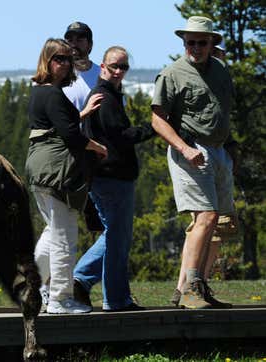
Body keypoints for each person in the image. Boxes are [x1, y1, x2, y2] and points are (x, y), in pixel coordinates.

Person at [151, 16, 235, 309]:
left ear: (212, 43)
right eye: (190, 42)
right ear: (183, 43)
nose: (195, 47)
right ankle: (191, 287)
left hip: (219, 151)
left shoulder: (221, 70)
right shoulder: (172, 74)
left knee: (218, 223)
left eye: (202, 42)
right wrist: (184, 149)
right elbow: (157, 120)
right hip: (191, 150)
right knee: (206, 217)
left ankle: (189, 288)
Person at [25, 38, 107, 314]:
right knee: (64, 236)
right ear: (46, 61)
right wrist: (97, 147)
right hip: (57, 172)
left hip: (40, 170)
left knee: (52, 232)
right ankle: (60, 299)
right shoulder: (53, 95)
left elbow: (59, 125)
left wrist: (79, 114)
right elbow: (71, 135)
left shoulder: (39, 92)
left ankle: (31, 287)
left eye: (68, 58)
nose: (65, 63)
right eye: (58, 58)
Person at [72, 46, 155, 312]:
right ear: (103, 67)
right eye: (114, 66)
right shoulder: (105, 98)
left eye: (124, 67)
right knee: (118, 239)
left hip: (108, 177)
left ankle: (82, 280)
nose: (119, 72)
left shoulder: (107, 95)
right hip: (111, 177)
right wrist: (153, 127)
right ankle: (114, 298)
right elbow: (119, 136)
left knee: (116, 236)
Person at [62, 21, 101, 111]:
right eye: (70, 40)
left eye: (79, 40)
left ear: (90, 45)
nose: (74, 45)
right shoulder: (58, 76)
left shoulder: (103, 75)